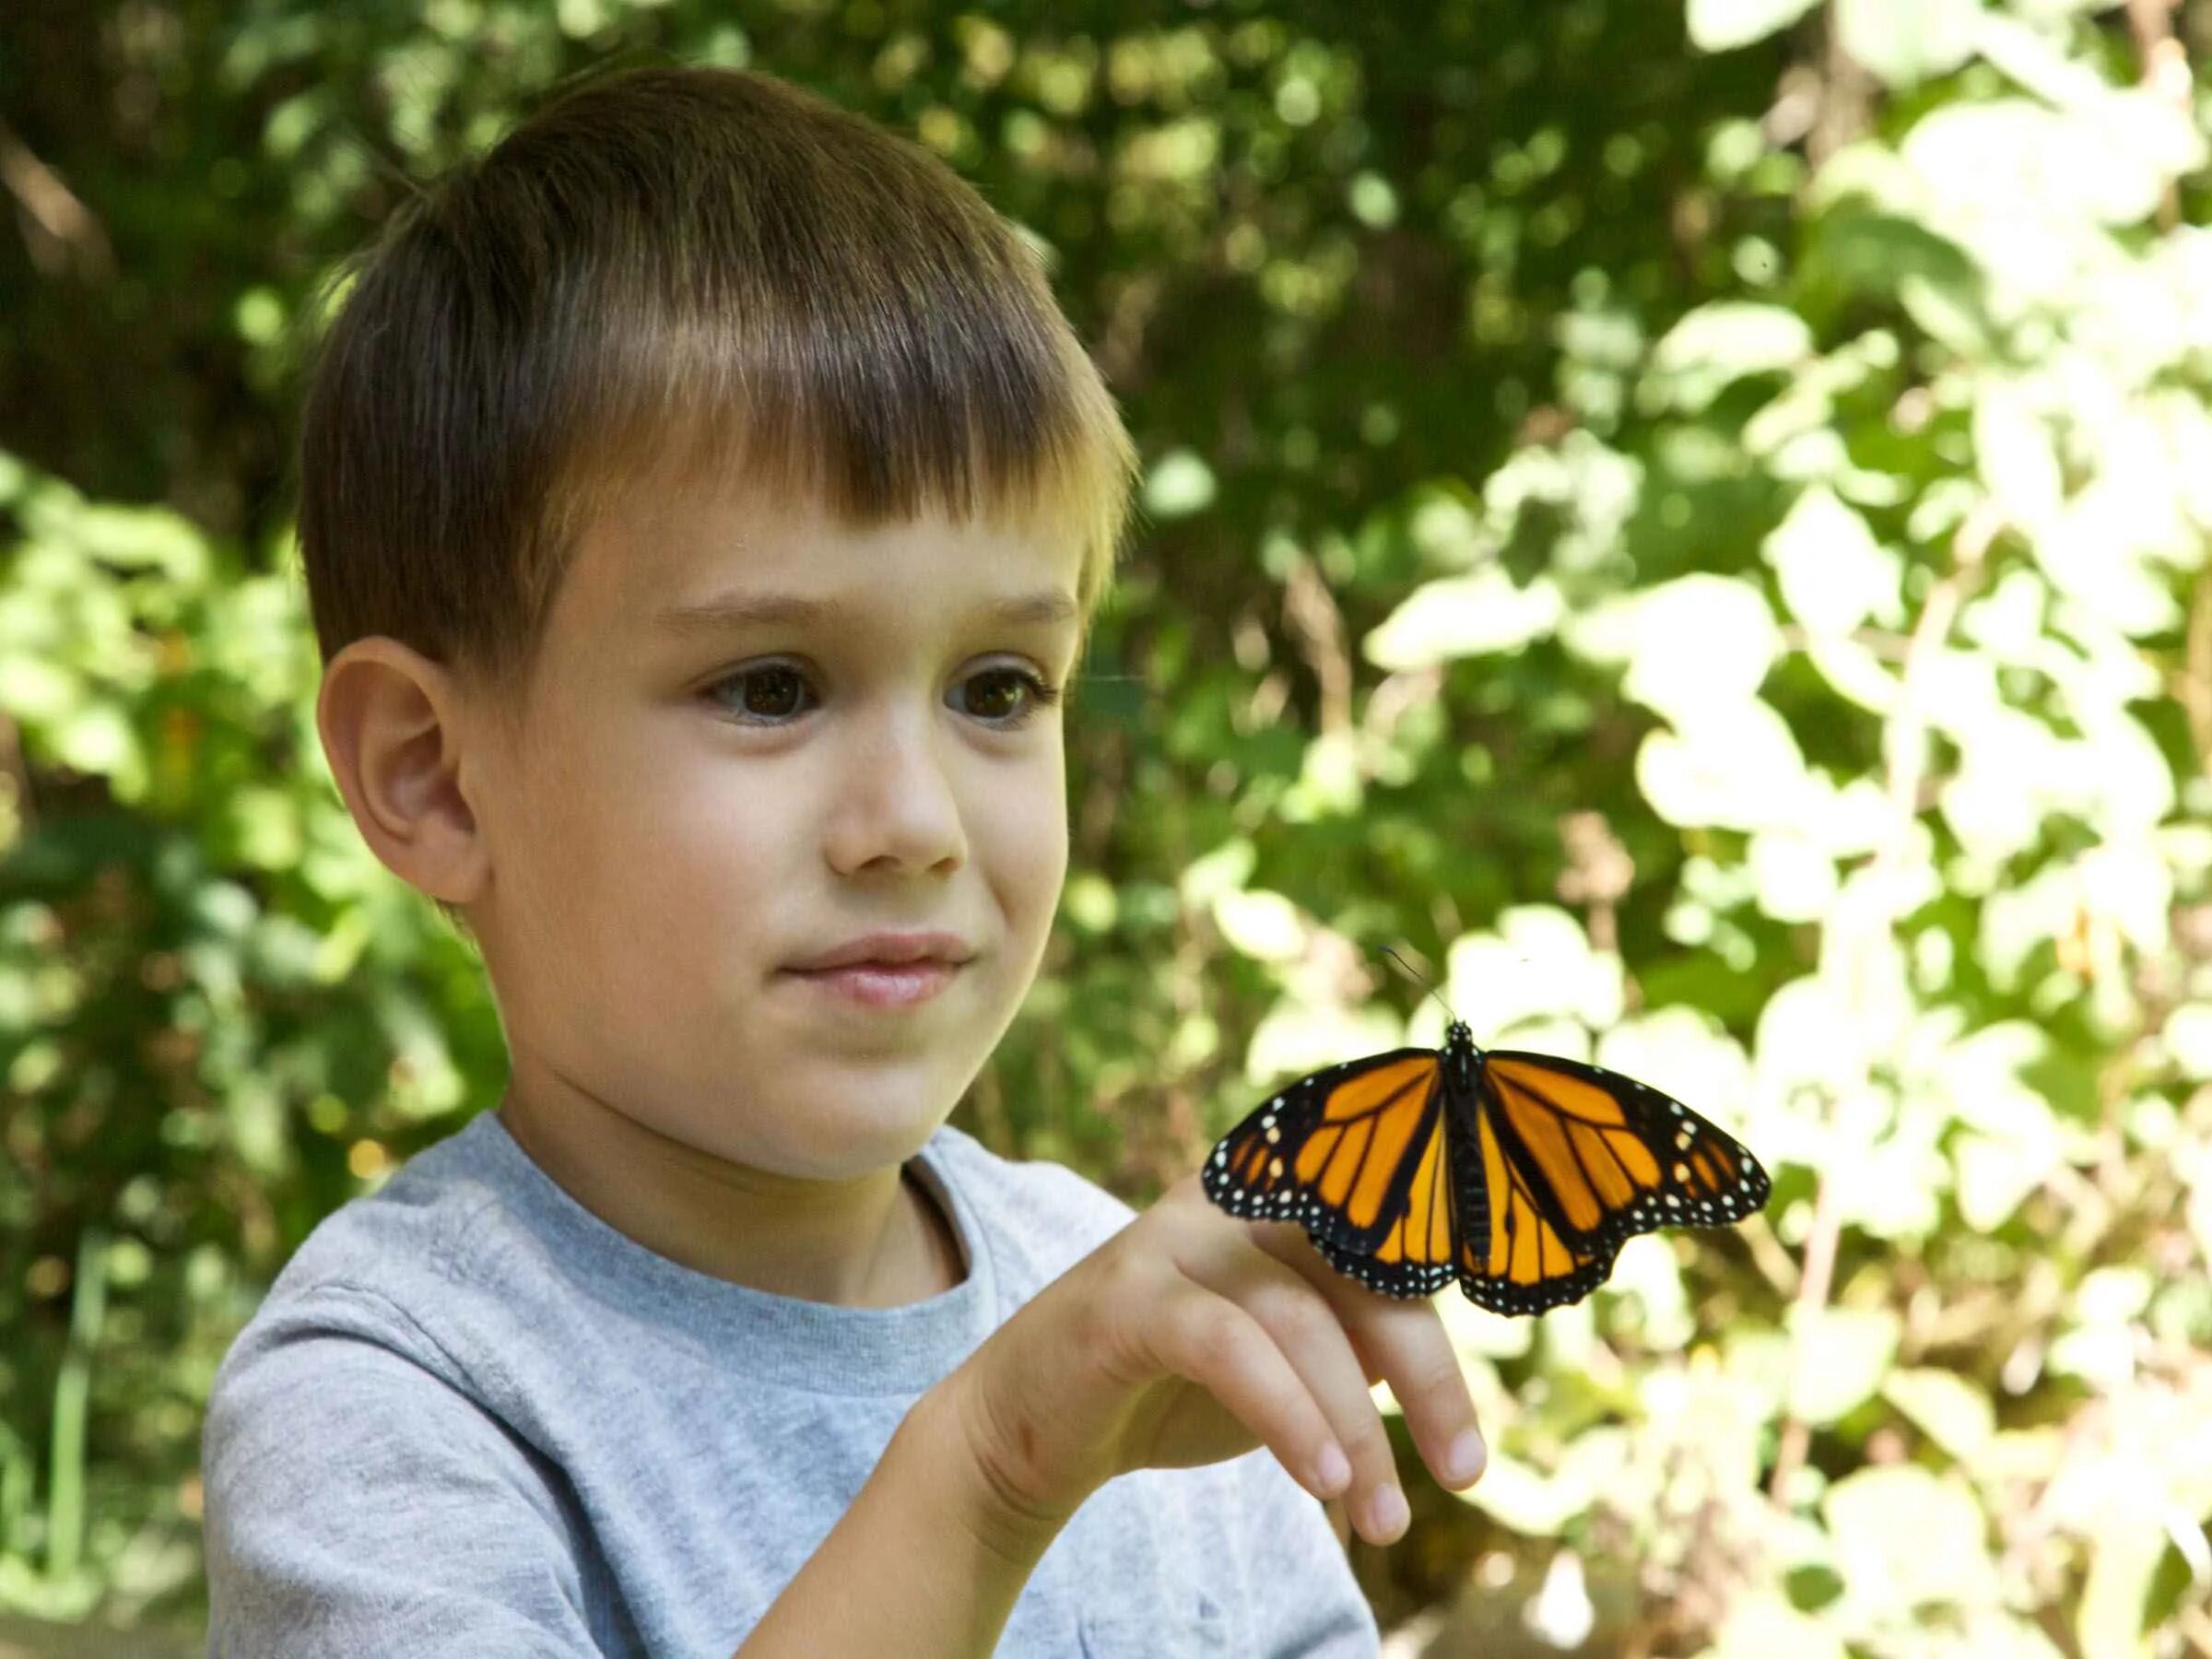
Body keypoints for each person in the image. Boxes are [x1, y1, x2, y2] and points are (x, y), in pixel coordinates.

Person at [200, 59, 1487, 1658]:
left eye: (1000, 690)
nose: (919, 822)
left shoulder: (1131, 1312)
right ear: (434, 778)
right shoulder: (395, 1398)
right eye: (772, 687)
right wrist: (992, 1467)